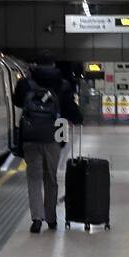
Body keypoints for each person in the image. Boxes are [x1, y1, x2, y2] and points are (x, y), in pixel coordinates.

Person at [13, 52, 82, 233]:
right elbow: (71, 111)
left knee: (34, 178)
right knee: (51, 177)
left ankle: (37, 219)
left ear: (36, 65)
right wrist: (78, 117)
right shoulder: (63, 84)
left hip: (30, 135)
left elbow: (17, 102)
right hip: (56, 135)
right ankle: (51, 218)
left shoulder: (25, 83)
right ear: (54, 65)